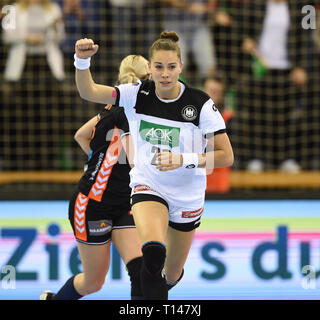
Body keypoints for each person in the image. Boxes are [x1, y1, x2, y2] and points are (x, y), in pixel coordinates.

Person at [74, 31, 234, 300]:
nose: (165, 73)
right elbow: (88, 90)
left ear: (180, 67)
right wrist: (81, 60)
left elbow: (226, 155)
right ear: (150, 68)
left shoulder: (200, 104)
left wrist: (185, 160)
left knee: (170, 275)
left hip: (187, 196)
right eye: (159, 66)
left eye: (171, 67)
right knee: (153, 252)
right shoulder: (136, 95)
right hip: (149, 185)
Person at [40, 54, 151, 300]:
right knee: (93, 283)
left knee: (140, 270)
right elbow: (137, 163)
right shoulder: (129, 112)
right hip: (92, 206)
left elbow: (81, 135)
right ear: (149, 78)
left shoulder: (113, 107)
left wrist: (99, 164)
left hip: (122, 201)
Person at [237, 0, 309, 172]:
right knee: (258, 116)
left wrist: (300, 66)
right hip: (260, 69)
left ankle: (287, 159)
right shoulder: (258, 5)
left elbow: (303, 38)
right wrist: (246, 41)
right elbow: (241, 28)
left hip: (286, 70)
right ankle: (257, 159)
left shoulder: (296, 8)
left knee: (286, 118)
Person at [2, 0, 66, 82]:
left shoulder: (54, 9)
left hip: (47, 61)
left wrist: (45, 37)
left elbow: (61, 35)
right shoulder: (14, 8)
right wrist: (26, 37)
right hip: (22, 62)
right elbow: (6, 36)